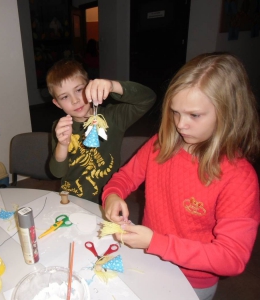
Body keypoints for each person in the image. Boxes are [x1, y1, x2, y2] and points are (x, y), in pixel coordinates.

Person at [102, 53, 260, 300]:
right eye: (175, 112)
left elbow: (232, 257)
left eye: (194, 115)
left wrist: (156, 242)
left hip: (193, 281)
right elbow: (124, 178)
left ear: (228, 113)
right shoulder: (159, 145)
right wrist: (112, 195)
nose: (180, 125)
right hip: (150, 259)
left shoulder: (239, 177)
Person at [46, 59, 156, 203]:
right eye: (65, 97)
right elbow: (57, 172)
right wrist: (62, 144)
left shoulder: (113, 118)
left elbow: (148, 98)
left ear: (90, 86)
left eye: (79, 90)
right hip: (72, 199)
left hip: (108, 199)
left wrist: (113, 86)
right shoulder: (60, 128)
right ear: (57, 103)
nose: (75, 101)